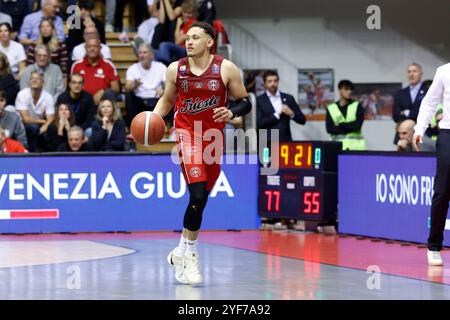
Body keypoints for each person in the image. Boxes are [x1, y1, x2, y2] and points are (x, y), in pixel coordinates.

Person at [153, 22, 251, 285]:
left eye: (195, 37)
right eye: (187, 38)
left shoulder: (226, 68)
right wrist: (153, 117)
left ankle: (180, 251)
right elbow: (167, 100)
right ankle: (192, 255)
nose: (189, 41)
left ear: (210, 41)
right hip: (187, 135)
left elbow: (246, 102)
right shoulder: (176, 69)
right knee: (196, 195)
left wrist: (232, 112)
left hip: (213, 139)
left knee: (201, 199)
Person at [413, 62, 450, 266]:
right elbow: (429, 102)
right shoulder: (444, 71)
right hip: (448, 134)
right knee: (443, 190)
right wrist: (419, 129)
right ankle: (434, 246)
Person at [256, 70, 306, 142]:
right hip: (266, 142)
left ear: (278, 82)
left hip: (284, 141)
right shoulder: (259, 100)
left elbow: (302, 120)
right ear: (265, 83)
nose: (273, 84)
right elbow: (259, 123)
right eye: (269, 81)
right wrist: (277, 115)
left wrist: (291, 113)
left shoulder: (288, 98)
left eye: (275, 81)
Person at [124, 43, 166, 127]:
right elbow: (127, 87)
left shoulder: (160, 66)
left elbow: (169, 84)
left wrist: (163, 90)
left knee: (170, 94)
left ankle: (170, 127)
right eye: (140, 53)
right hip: (140, 101)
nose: (142, 55)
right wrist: (134, 84)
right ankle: (133, 127)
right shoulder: (133, 68)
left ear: (151, 55)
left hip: (156, 100)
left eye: (145, 52)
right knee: (128, 95)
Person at [70, 38, 121, 105]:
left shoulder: (108, 65)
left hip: (102, 103)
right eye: (89, 46)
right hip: (82, 102)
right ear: (85, 48)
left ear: (100, 48)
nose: (92, 49)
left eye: (95, 46)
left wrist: (103, 91)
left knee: (110, 93)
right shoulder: (77, 65)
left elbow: (116, 88)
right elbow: (72, 86)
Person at [15, 70, 54, 152]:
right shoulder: (22, 94)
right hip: (22, 124)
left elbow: (51, 118)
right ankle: (32, 153)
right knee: (33, 127)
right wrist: (43, 121)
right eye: (32, 78)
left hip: (39, 124)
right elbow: (26, 119)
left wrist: (46, 125)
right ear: (29, 82)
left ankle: (49, 155)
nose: (34, 80)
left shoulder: (48, 97)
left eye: (37, 78)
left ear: (43, 83)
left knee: (51, 128)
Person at [326, 80, 366, 150]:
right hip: (336, 149)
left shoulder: (357, 106)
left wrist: (340, 125)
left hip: (355, 148)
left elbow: (357, 125)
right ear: (340, 90)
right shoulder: (331, 108)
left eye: (350, 89)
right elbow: (329, 129)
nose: (349, 92)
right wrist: (349, 127)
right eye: (346, 89)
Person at [393, 63, 428, 143]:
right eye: (409, 72)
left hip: (423, 135)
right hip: (402, 137)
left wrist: (406, 112)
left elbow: (426, 113)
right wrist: (414, 113)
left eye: (414, 71)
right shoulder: (400, 93)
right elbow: (395, 115)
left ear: (421, 73)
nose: (411, 74)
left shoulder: (428, 92)